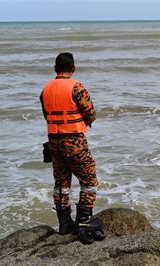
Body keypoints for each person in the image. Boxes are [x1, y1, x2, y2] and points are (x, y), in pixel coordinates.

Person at [40, 52, 103, 243]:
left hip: (54, 143)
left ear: (55, 69)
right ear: (73, 68)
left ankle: (64, 224)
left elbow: (46, 114)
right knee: (89, 179)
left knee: (61, 183)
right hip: (74, 142)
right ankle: (83, 220)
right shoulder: (77, 87)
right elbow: (90, 114)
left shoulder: (46, 89)